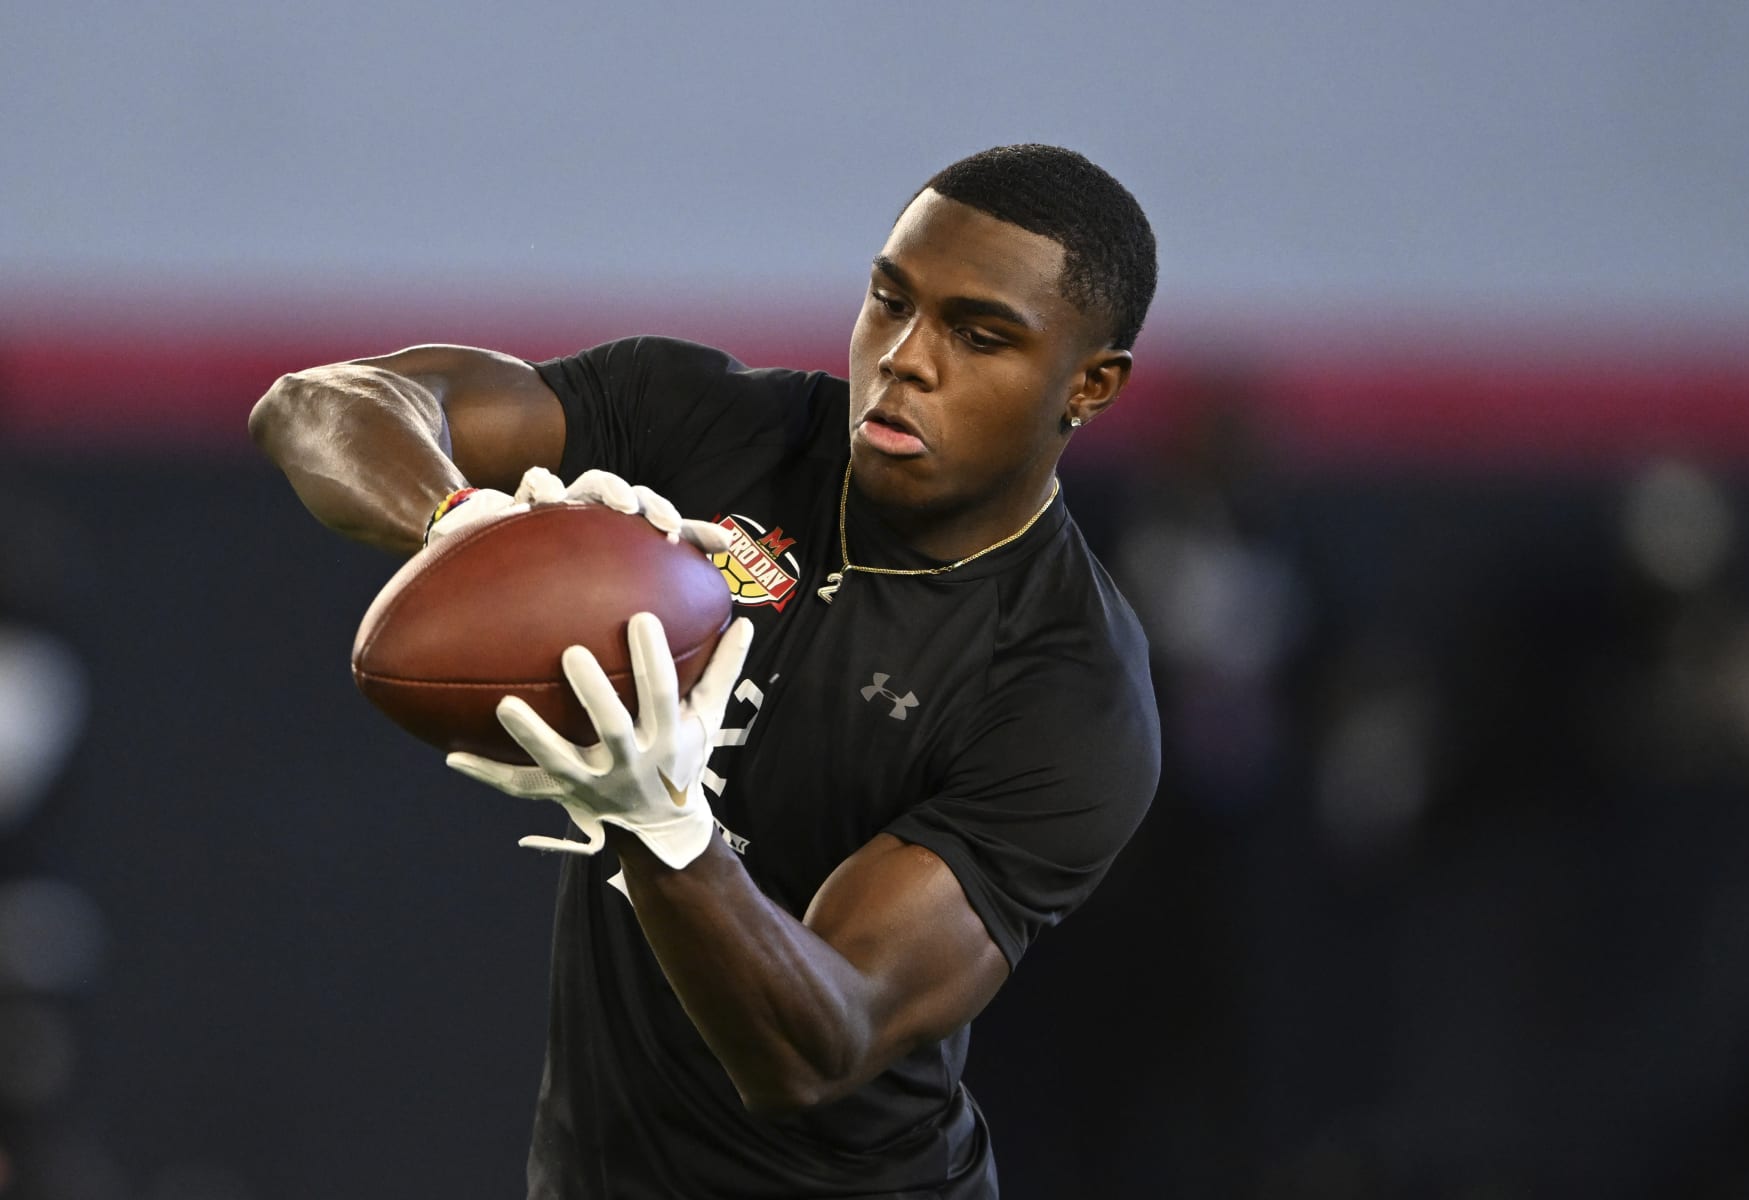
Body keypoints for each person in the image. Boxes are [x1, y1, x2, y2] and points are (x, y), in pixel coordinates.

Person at [250, 143, 1161, 1199]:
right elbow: (318, 404)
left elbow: (817, 1048)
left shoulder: (1068, 686)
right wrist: (475, 527)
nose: (906, 358)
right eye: (888, 300)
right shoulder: (712, 425)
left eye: (978, 334)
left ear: (1089, 385)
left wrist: (663, 825)